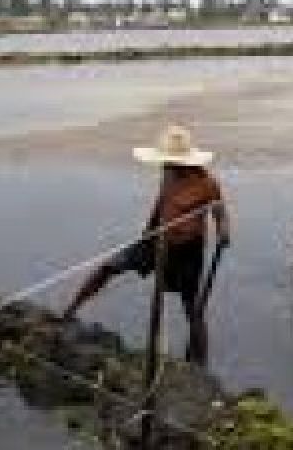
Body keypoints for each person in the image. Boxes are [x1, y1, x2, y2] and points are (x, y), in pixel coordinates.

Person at [61, 125, 231, 364]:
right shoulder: (168, 172)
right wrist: (147, 234)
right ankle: (70, 311)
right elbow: (162, 203)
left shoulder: (207, 183)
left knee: (192, 309)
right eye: (167, 161)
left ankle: (200, 366)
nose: (168, 165)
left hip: (187, 251)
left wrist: (224, 232)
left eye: (173, 162)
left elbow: (220, 213)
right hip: (154, 240)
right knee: (107, 268)